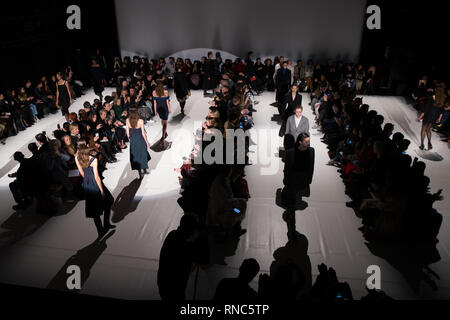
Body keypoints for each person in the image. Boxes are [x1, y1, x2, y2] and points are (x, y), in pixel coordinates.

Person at [75, 145, 115, 239]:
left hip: (87, 184)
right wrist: (101, 190)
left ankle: (100, 231)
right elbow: (97, 177)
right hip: (95, 184)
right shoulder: (93, 159)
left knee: (94, 209)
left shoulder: (77, 158)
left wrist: (88, 180)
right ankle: (106, 224)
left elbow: (82, 173)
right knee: (109, 201)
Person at [157, 214, 200, 300]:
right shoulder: (186, 247)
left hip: (164, 284)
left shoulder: (172, 235)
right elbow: (193, 266)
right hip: (174, 289)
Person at [282, 133, 315, 210]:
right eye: (306, 142)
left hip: (304, 179)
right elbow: (287, 169)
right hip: (293, 179)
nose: (308, 143)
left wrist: (309, 180)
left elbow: (311, 167)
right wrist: (286, 180)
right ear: (300, 142)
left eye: (309, 141)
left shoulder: (311, 151)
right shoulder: (290, 152)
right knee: (291, 199)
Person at [418, 86, 446, 150]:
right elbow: (442, 110)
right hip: (435, 116)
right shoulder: (442, 99)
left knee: (423, 129)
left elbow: (426, 108)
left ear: (437, 90)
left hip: (428, 115)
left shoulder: (432, 98)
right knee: (428, 130)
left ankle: (422, 145)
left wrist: (421, 116)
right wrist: (439, 118)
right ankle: (429, 143)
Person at [126, 108, 151, 179]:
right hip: (140, 140)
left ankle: (140, 173)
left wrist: (131, 140)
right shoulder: (140, 121)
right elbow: (143, 133)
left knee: (136, 156)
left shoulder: (127, 120)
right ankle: (145, 170)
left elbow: (127, 133)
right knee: (143, 155)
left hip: (133, 141)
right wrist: (147, 142)